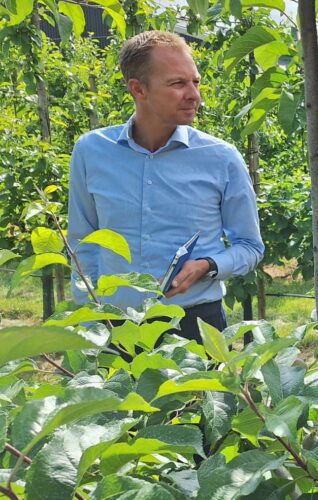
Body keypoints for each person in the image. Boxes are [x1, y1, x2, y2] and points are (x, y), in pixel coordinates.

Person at [68, 30, 264, 343]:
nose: (194, 95)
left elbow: (251, 247)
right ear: (138, 89)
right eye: (177, 83)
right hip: (115, 326)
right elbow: (83, 242)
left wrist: (208, 265)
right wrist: (91, 320)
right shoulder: (91, 152)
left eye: (195, 82)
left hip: (194, 324)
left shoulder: (221, 158)